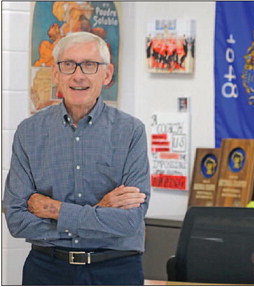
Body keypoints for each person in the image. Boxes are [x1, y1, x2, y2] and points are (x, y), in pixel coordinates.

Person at [4, 31, 150, 285]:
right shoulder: (29, 132)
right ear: (56, 74)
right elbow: (17, 220)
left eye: (90, 65)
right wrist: (99, 214)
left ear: (107, 74)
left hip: (115, 269)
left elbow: (129, 221)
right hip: (46, 270)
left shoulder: (131, 132)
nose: (78, 75)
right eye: (68, 65)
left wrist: (55, 210)